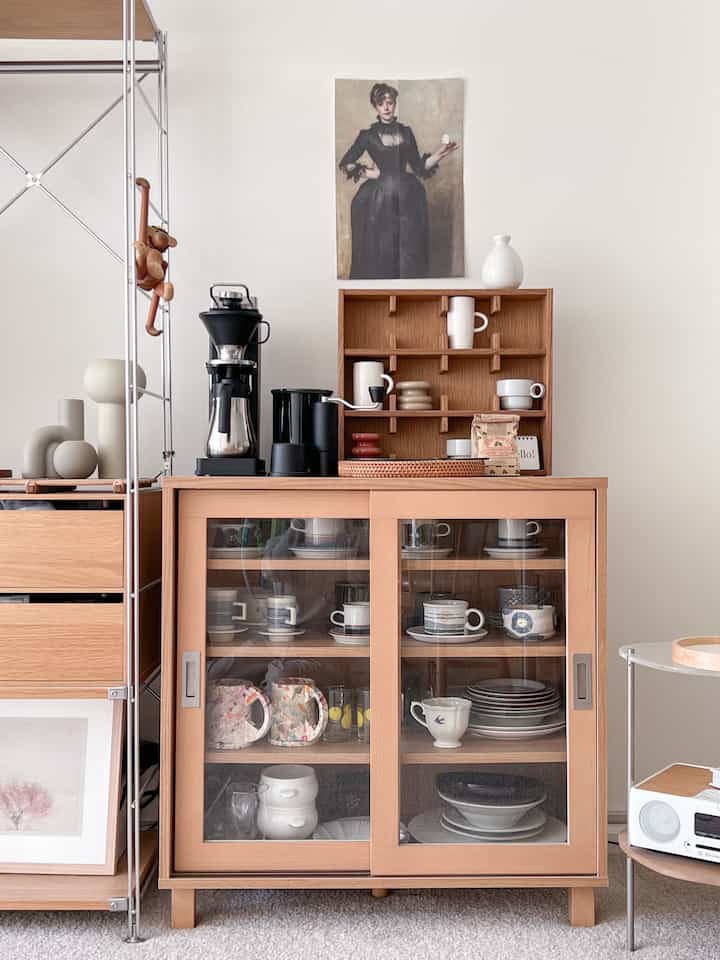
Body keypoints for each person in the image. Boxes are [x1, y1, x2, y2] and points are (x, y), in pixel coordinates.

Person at [339, 82, 458, 279]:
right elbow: (346, 163)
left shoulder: (406, 132)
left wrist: (440, 154)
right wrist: (369, 173)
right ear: (375, 106)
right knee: (382, 247)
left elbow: (419, 167)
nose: (386, 107)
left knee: (408, 248)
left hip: (408, 196)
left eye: (390, 102)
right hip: (379, 200)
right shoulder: (367, 136)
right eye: (381, 103)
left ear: (394, 104)